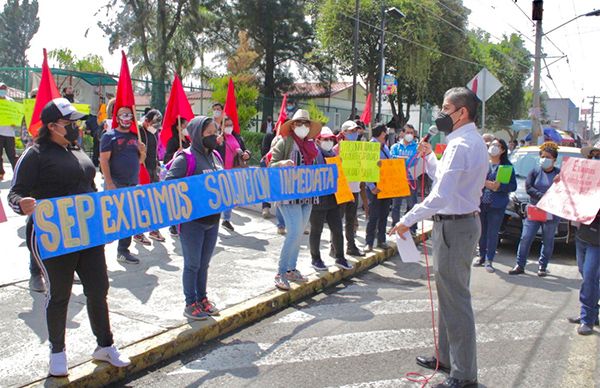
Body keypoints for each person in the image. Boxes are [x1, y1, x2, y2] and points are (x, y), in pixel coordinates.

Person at [8, 98, 130, 377]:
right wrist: (21, 204)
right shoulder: (35, 154)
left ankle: (105, 345)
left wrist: (104, 218)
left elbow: (89, 187)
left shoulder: (77, 151)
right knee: (60, 294)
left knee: (98, 289)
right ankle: (58, 352)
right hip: (54, 237)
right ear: (52, 126)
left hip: (88, 235)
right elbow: (14, 193)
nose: (77, 127)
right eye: (70, 123)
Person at [390, 87, 488, 388]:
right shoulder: (464, 141)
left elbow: (441, 196)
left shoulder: (461, 145)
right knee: (449, 295)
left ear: (462, 113)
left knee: (456, 299)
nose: (441, 115)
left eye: (446, 109)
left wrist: (406, 220)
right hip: (458, 224)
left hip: (455, 226)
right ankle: (445, 358)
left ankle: (464, 373)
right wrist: (430, 158)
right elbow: (444, 180)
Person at [165, 116, 222, 320]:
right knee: (192, 264)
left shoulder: (215, 156)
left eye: (215, 132)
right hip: (192, 222)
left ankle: (202, 298)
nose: (213, 136)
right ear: (198, 135)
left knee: (204, 264)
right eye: (209, 133)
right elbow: (169, 185)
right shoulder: (185, 158)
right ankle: (191, 303)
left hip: (213, 220)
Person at [269, 109, 321, 290]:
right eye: (299, 123)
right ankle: (281, 272)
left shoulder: (312, 146)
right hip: (288, 195)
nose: (303, 127)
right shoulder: (284, 143)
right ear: (292, 125)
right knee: (293, 233)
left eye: (306, 124)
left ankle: (291, 269)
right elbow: (271, 165)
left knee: (299, 234)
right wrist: (281, 164)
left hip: (307, 196)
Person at [99, 106, 147, 265]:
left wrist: (143, 152)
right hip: (116, 183)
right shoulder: (109, 136)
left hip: (131, 183)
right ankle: (97, 253)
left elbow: (139, 161)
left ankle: (123, 251)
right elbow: (104, 160)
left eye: (129, 115)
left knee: (129, 218)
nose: (127, 118)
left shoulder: (135, 137)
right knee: (111, 219)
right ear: (117, 117)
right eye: (123, 115)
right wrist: (110, 183)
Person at [509, 142, 561, 277]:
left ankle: (543, 267)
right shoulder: (535, 171)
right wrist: (542, 196)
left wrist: (558, 184)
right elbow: (529, 188)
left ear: (554, 160)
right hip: (534, 210)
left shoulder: (559, 174)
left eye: (548, 157)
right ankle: (520, 265)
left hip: (551, 212)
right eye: (542, 156)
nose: (544, 159)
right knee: (526, 237)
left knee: (548, 240)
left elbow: (564, 191)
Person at [309, 127, 353, 271]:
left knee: (337, 229)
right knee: (316, 230)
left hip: (333, 199)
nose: (328, 142)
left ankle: (340, 257)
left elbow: (340, 177)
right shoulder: (313, 155)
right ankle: (315, 258)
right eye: (325, 139)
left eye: (330, 139)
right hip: (318, 199)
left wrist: (346, 194)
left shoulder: (333, 154)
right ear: (318, 140)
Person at [567, 142, 600, 335]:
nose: (595, 159)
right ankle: (590, 312)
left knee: (589, 276)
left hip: (597, 237)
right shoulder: (583, 179)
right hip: (583, 234)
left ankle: (587, 317)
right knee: (586, 275)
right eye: (593, 155)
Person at [473, 138, 516, 273]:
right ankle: (481, 256)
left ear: (502, 150)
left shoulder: (506, 167)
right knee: (482, 231)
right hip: (482, 203)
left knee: (492, 232)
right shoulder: (484, 164)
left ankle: (489, 259)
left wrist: (499, 187)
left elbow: (512, 186)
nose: (493, 147)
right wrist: (485, 183)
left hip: (497, 205)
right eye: (492, 145)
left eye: (497, 145)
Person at [333, 120, 365, 257]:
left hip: (355, 188)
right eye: (351, 131)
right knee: (337, 219)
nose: (354, 133)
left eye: (355, 131)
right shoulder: (336, 149)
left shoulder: (361, 148)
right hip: (341, 188)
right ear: (343, 132)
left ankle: (350, 246)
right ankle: (334, 246)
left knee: (351, 219)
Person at [216, 116, 251, 231]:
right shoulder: (217, 138)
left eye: (231, 125)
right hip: (221, 172)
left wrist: (247, 154)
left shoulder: (237, 137)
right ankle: (214, 219)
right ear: (221, 126)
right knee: (219, 197)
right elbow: (210, 151)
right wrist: (216, 143)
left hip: (235, 172)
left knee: (230, 197)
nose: (229, 127)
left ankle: (226, 219)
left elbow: (245, 150)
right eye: (226, 125)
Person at [136, 108, 167, 242]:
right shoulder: (138, 132)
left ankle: (154, 230)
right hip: (141, 170)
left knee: (154, 202)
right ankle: (138, 232)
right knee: (141, 203)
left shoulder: (154, 133)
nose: (155, 128)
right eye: (153, 124)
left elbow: (155, 151)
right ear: (146, 121)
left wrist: (158, 166)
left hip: (153, 170)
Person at [364, 124, 392, 252]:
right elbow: (366, 167)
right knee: (374, 215)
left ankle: (381, 240)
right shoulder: (370, 146)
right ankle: (369, 242)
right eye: (385, 131)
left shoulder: (384, 147)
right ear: (381, 132)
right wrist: (371, 186)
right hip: (374, 185)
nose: (386, 134)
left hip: (385, 184)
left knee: (384, 214)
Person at [390, 124, 419, 234]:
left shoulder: (416, 147)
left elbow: (414, 161)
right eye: (407, 132)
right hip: (397, 179)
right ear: (402, 133)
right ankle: (395, 226)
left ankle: (411, 228)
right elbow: (392, 160)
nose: (410, 135)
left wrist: (401, 161)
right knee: (396, 205)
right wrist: (405, 160)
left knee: (412, 205)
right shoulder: (395, 147)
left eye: (412, 133)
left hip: (411, 180)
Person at [259, 125, 286, 232]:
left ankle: (281, 225)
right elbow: (265, 151)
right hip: (269, 164)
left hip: (279, 168)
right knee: (268, 188)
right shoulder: (273, 137)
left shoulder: (288, 139)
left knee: (279, 195)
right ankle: (266, 208)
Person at [0, 82, 18, 181]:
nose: (2, 91)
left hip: (9, 133)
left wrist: (15, 122)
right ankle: (1, 173)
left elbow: (16, 115)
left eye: (3, 89)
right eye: (0, 89)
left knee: (12, 154)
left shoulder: (11, 101)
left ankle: (16, 173)